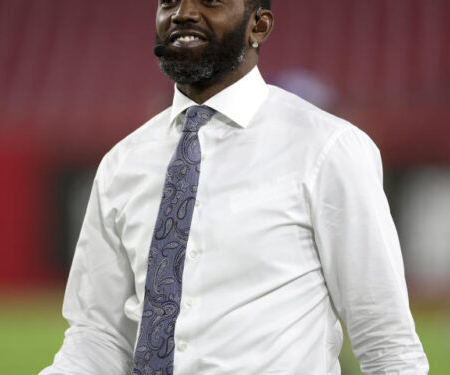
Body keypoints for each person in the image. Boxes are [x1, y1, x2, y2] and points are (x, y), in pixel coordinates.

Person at [40, 0, 428, 374]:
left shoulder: (326, 150)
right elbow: (99, 337)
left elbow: (385, 342)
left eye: (210, 1)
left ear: (258, 26)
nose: (183, 13)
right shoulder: (122, 164)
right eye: (169, 1)